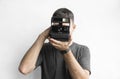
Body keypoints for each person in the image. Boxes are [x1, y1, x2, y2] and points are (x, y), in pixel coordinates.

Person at [18, 8, 91, 79]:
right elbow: (24, 69)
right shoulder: (44, 48)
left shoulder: (82, 50)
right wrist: (42, 36)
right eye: (58, 25)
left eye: (65, 25)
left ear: (73, 27)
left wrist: (66, 50)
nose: (61, 29)